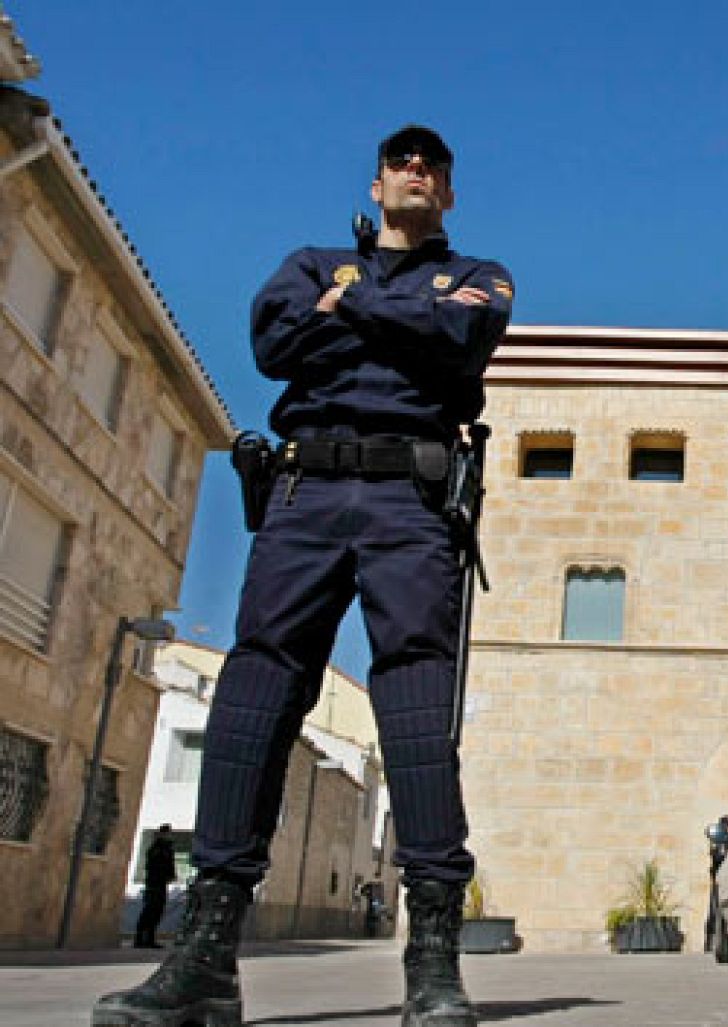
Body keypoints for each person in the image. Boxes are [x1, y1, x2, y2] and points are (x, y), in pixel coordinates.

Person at [93, 126, 512, 1027]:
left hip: (412, 500)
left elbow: (460, 339)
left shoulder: (478, 274)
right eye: (400, 161)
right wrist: (385, 317)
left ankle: (433, 964)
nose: (415, 170)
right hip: (303, 492)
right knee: (255, 694)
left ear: (447, 192)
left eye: (431, 165)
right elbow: (274, 344)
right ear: (376, 182)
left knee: (416, 706)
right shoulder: (309, 262)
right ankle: (205, 959)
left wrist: (347, 308)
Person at [133, 825, 177, 949]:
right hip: (154, 884)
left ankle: (149, 939)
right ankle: (140, 939)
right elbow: (154, 866)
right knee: (149, 911)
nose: (169, 836)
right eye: (167, 834)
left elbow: (169, 865)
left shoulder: (167, 848)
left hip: (161, 884)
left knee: (157, 912)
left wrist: (170, 875)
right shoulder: (156, 849)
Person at [703, 814, 728, 951]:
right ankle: (709, 943)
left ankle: (716, 941)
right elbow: (716, 858)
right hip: (719, 880)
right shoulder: (718, 841)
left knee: (719, 909)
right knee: (714, 910)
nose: (727, 828)